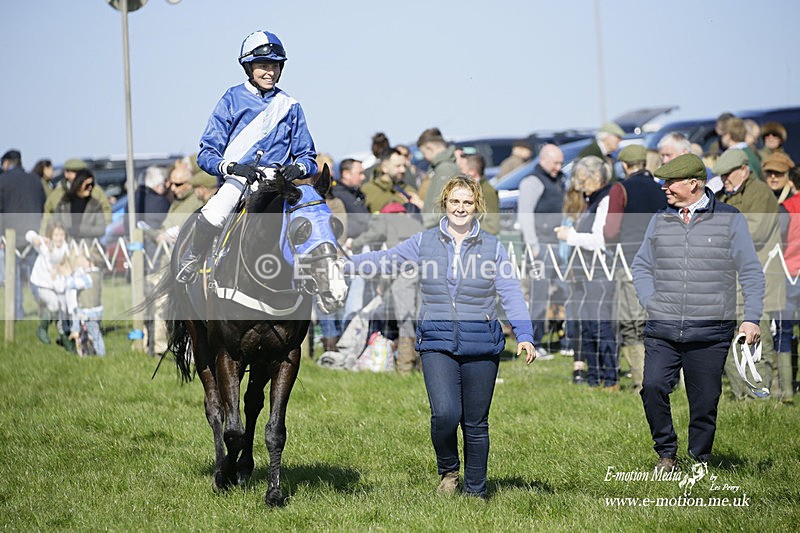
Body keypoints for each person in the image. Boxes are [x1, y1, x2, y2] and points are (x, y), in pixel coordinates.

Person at [345, 176, 535, 499]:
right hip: (436, 340)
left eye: (467, 202)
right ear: (444, 204)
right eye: (455, 202)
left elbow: (510, 293)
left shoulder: (493, 246)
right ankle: (449, 469)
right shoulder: (424, 242)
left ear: (477, 206)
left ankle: (476, 492)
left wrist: (524, 334)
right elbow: (385, 260)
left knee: (476, 423)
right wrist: (345, 264)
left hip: (481, 343)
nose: (461, 208)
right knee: (445, 414)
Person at [632, 153, 765, 470]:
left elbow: (750, 272)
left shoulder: (730, 218)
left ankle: (700, 458)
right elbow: (641, 265)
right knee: (652, 387)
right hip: (663, 329)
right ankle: (666, 453)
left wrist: (751, 318)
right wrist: (651, 300)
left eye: (671, 181)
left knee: (705, 400)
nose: (664, 187)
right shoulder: (659, 218)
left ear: (693, 183)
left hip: (710, 332)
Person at [177, 29, 318, 283]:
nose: (270, 72)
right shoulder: (231, 99)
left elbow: (309, 157)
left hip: (278, 182)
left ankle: (315, 275)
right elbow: (206, 154)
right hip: (239, 179)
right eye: (263, 65)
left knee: (311, 216)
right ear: (249, 68)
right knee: (215, 212)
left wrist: (297, 169)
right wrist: (233, 168)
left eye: (275, 66)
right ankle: (192, 259)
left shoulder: (291, 105)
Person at [714, 149, 785, 401]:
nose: (724, 180)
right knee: (729, 344)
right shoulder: (722, 196)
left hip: (758, 281)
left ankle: (760, 400)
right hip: (728, 284)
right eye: (721, 175)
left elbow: (753, 234)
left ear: (744, 169)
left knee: (757, 343)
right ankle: (741, 396)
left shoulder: (761, 194)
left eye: (728, 174)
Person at [603, 144, 667, 392]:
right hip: (662, 262)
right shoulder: (661, 188)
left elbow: (611, 230)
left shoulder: (621, 189)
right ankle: (671, 378)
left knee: (631, 323)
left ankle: (643, 381)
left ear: (625, 165)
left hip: (630, 262)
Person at [555, 156, 618, 389]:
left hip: (600, 272)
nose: (578, 185)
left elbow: (600, 240)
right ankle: (595, 377)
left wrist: (569, 236)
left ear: (596, 177)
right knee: (588, 325)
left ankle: (610, 378)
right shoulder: (592, 199)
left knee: (601, 325)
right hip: (585, 272)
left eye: (582, 179)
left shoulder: (606, 200)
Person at [517, 144, 567, 358]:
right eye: (555, 163)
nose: (559, 167)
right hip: (540, 248)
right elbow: (525, 215)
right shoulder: (532, 181)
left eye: (560, 163)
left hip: (559, 245)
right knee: (539, 296)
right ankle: (534, 341)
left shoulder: (560, 179)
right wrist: (533, 246)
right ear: (543, 160)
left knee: (565, 292)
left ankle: (565, 339)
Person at [0, 149, 47, 319]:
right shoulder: (35, 180)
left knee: (13, 280)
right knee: (37, 277)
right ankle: (45, 309)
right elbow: (43, 205)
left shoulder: (3, 180)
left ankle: (17, 314)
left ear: (6, 163)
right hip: (32, 235)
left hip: (10, 237)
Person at [26, 223, 70, 345]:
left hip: (58, 285)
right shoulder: (44, 245)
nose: (59, 238)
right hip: (41, 284)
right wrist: (36, 239)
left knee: (63, 309)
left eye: (62, 234)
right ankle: (42, 329)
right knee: (54, 304)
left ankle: (64, 338)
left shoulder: (66, 249)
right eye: (56, 234)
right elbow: (29, 234)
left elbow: (61, 264)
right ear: (50, 235)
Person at [41, 158, 111, 236]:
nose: (79, 175)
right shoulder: (57, 194)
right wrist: (45, 236)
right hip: (65, 242)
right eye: (74, 172)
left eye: (81, 172)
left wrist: (101, 230)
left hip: (89, 241)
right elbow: (48, 217)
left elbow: (106, 212)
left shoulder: (96, 192)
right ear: (66, 173)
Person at [417, 128, 460, 227]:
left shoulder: (445, 169)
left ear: (430, 148)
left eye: (424, 153)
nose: (424, 157)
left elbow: (439, 208)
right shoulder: (442, 168)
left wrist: (420, 225)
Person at [65, 249, 105, 356]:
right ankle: (90, 352)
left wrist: (67, 276)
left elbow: (73, 284)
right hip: (97, 311)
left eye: (84, 259)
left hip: (89, 312)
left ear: (89, 262)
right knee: (92, 334)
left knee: (95, 335)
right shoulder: (97, 273)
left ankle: (101, 355)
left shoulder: (88, 277)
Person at [361, 148, 422, 213]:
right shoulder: (367, 190)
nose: (403, 170)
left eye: (404, 166)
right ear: (384, 168)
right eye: (398, 166)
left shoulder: (409, 190)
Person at [51, 169, 107, 241]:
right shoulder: (64, 203)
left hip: (87, 247)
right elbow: (55, 223)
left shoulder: (95, 205)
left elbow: (101, 230)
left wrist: (80, 229)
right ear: (79, 184)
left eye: (92, 185)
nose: (90, 188)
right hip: (66, 246)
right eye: (87, 185)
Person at [460, 153, 499, 235]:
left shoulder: (487, 191)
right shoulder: (471, 188)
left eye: (463, 169)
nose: (461, 172)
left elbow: (492, 226)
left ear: (472, 172)